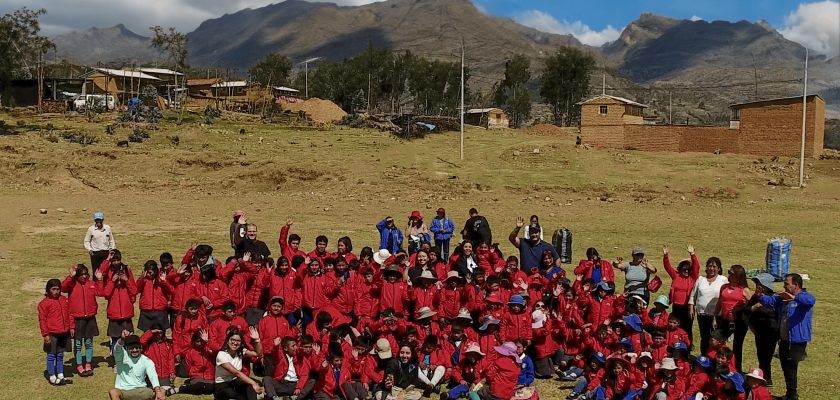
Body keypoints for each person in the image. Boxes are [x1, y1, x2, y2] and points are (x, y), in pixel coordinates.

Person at [759, 273, 814, 400]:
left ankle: (792, 395)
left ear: (796, 285)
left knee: (790, 366)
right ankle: (790, 394)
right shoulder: (783, 298)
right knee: (785, 366)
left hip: (796, 340)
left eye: (786, 284)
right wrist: (760, 296)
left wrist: (794, 297)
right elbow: (771, 301)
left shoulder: (804, 297)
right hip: (784, 339)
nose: (784, 286)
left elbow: (811, 300)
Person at [61, 264, 101, 377]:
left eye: (85, 274)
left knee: (89, 343)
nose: (84, 277)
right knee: (78, 344)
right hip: (77, 318)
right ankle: (79, 365)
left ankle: (88, 364)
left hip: (90, 318)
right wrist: (71, 276)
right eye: (81, 274)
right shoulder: (72, 283)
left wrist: (99, 279)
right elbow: (63, 288)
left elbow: (102, 292)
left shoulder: (91, 283)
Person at [109, 331, 166, 400]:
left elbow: (153, 376)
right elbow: (117, 348)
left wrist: (158, 391)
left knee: (162, 391)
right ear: (126, 348)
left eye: (137, 347)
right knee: (113, 392)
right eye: (131, 348)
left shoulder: (146, 360)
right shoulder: (121, 356)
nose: (134, 350)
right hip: (124, 391)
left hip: (141, 390)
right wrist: (122, 339)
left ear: (140, 348)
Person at [744, 273, 779, 386]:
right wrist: (754, 305)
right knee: (761, 355)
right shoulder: (755, 297)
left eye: (760, 284)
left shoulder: (774, 298)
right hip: (759, 331)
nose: (758, 286)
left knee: (767, 357)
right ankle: (762, 377)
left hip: (771, 332)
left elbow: (776, 313)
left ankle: (766, 378)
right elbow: (746, 310)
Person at [38, 278, 74, 386]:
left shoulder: (64, 300)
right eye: (53, 289)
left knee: (60, 355)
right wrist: (45, 334)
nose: (56, 292)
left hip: (63, 332)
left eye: (58, 289)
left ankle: (60, 374)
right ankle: (52, 376)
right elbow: (42, 320)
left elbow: (70, 314)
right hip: (52, 333)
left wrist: (71, 327)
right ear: (48, 290)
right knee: (51, 355)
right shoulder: (43, 303)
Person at [689, 255, 727, 354]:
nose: (711, 268)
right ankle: (704, 358)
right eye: (709, 266)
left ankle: (716, 359)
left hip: (717, 316)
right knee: (705, 338)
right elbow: (693, 294)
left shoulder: (723, 280)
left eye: (714, 266)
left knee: (716, 339)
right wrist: (691, 307)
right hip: (702, 314)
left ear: (719, 268)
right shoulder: (701, 279)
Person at [716, 265, 751, 372]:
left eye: (731, 273)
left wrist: (739, 309)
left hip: (739, 322)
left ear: (738, 275)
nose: (729, 275)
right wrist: (714, 316)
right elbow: (719, 302)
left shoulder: (744, 290)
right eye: (729, 273)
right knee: (719, 341)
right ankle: (719, 364)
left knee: (737, 347)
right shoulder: (724, 287)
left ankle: (737, 369)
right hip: (725, 320)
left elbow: (750, 306)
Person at [662, 244, 700, 340]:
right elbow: (668, 267)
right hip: (676, 306)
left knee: (687, 328)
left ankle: (687, 348)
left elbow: (696, 267)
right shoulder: (676, 276)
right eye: (684, 269)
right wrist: (666, 256)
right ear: (680, 269)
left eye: (688, 269)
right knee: (676, 327)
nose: (686, 271)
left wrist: (692, 254)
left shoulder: (693, 278)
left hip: (688, 307)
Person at [215, 327, 264, 400]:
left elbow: (258, 354)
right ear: (227, 341)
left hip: (235, 382)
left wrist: (257, 340)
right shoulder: (221, 355)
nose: (235, 343)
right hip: (222, 385)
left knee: (249, 386)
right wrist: (253, 383)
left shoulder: (241, 352)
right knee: (240, 396)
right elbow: (236, 373)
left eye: (238, 341)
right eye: (233, 340)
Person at [84, 211, 116, 279]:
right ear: (95, 220)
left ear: (102, 220)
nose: (98, 221)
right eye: (97, 220)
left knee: (106, 270)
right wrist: (90, 249)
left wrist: (113, 249)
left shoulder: (107, 228)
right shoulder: (91, 229)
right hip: (95, 253)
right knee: (96, 271)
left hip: (106, 252)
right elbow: (86, 241)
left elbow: (111, 240)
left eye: (100, 220)